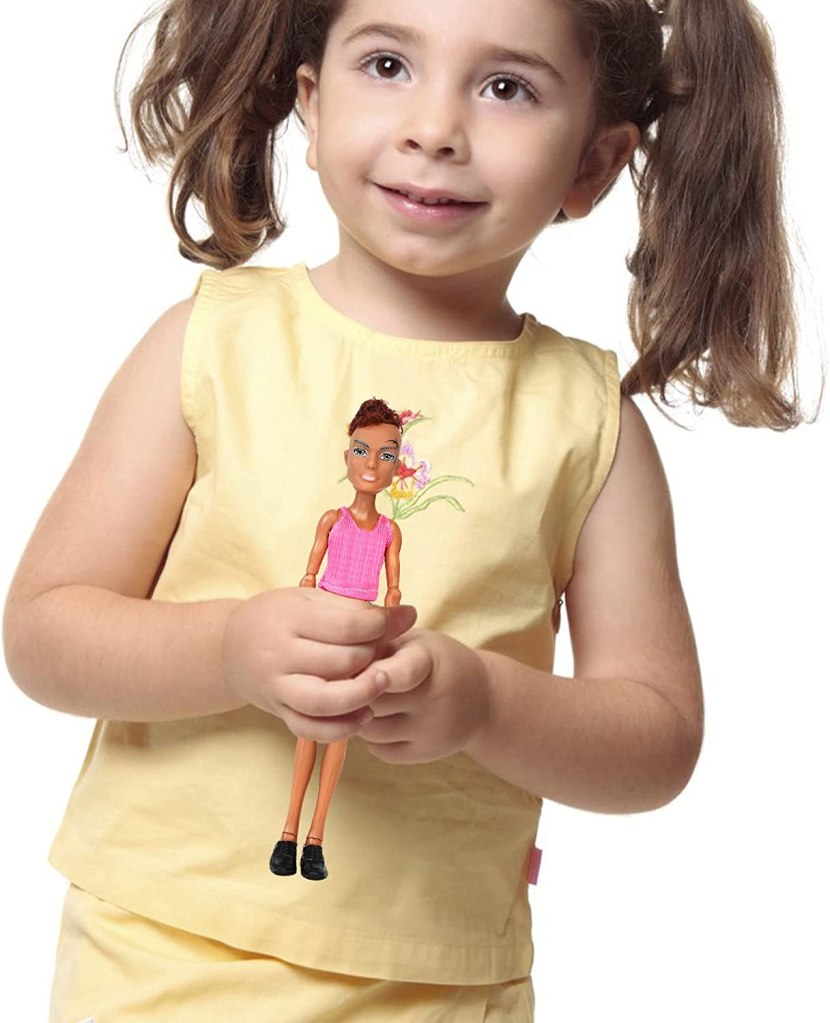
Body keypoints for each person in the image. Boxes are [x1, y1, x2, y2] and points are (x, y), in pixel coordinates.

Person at [2, 0, 804, 1018]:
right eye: (387, 65)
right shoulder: (208, 343)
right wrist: (231, 650)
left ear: (594, 165)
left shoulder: (585, 420)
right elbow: (45, 632)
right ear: (311, 100)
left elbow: (655, 740)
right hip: (156, 957)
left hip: (434, 983)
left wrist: (486, 703)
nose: (434, 128)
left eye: (506, 87)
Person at [271, 397, 404, 882]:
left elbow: (393, 588)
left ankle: (315, 839)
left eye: (386, 454)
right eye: (362, 451)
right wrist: (304, 616)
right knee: (309, 729)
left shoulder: (390, 531)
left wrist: (389, 628)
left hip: (361, 633)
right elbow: (309, 575)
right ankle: (288, 833)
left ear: (397, 465)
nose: (372, 464)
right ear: (347, 456)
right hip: (325, 626)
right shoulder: (333, 520)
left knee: (339, 733)